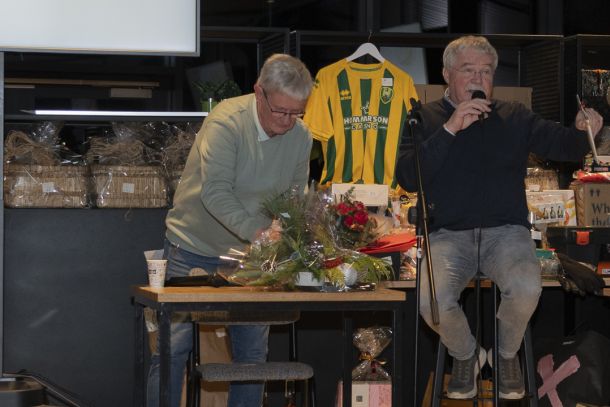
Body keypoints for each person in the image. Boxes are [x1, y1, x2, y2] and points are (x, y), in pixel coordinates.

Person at [395, 35, 603, 400]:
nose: (478, 79)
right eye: (468, 70)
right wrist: (450, 128)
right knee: (432, 301)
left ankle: (506, 355)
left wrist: (583, 128)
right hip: (447, 234)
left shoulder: (514, 116)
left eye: (486, 71)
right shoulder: (423, 118)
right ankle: (467, 355)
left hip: (506, 232)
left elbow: (565, 146)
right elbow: (409, 176)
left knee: (527, 288)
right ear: (447, 74)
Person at [147, 53, 314, 407]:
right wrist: (259, 232)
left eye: (296, 113)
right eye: (280, 111)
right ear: (259, 92)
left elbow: (294, 198)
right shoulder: (226, 122)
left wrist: (286, 234)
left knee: (252, 356)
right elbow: (216, 193)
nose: (287, 122)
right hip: (192, 246)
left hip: (250, 259)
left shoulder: (301, 137)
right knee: (173, 350)